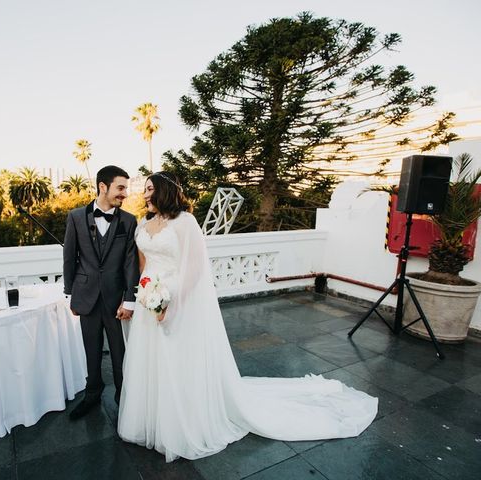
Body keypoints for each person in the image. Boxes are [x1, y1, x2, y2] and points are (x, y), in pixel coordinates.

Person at [117, 171, 378, 462]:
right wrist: (146, 294)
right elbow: (144, 265)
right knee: (150, 359)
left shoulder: (185, 222)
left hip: (177, 297)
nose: (144, 195)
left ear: (164, 190)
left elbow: (194, 269)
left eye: (150, 189)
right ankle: (152, 417)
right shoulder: (144, 223)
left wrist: (170, 300)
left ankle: (181, 420)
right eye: (144, 190)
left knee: (177, 357)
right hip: (149, 298)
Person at [63, 165, 139, 420]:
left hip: (116, 299)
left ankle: (123, 399)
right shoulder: (75, 217)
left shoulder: (129, 221)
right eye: (120, 187)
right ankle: (92, 395)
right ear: (102, 187)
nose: (124, 194)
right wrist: (70, 293)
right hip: (86, 297)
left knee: (120, 353)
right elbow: (69, 257)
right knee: (91, 350)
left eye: (125, 188)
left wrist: (129, 299)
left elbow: (131, 263)